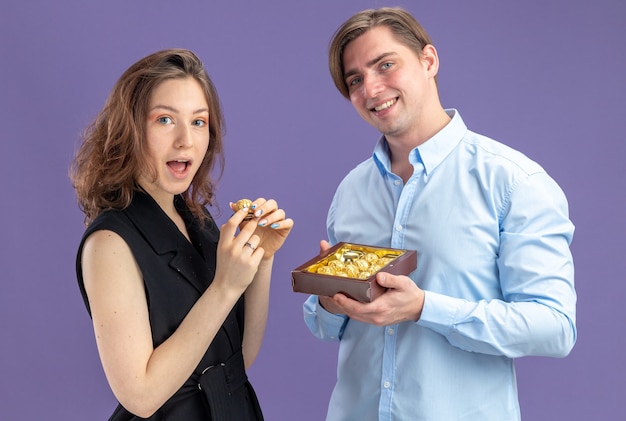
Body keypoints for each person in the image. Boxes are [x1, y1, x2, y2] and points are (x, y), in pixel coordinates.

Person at [303, 7, 576, 420]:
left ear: (428, 61)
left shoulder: (513, 182)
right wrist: (328, 302)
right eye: (355, 80)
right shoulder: (351, 191)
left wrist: (423, 308)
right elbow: (323, 326)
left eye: (385, 65)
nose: (371, 88)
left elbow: (555, 327)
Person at [71, 48, 293, 420]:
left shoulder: (197, 220)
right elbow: (140, 396)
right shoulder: (108, 244)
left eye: (198, 122)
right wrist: (224, 286)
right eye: (164, 120)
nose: (185, 141)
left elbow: (240, 357)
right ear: (129, 129)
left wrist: (262, 258)